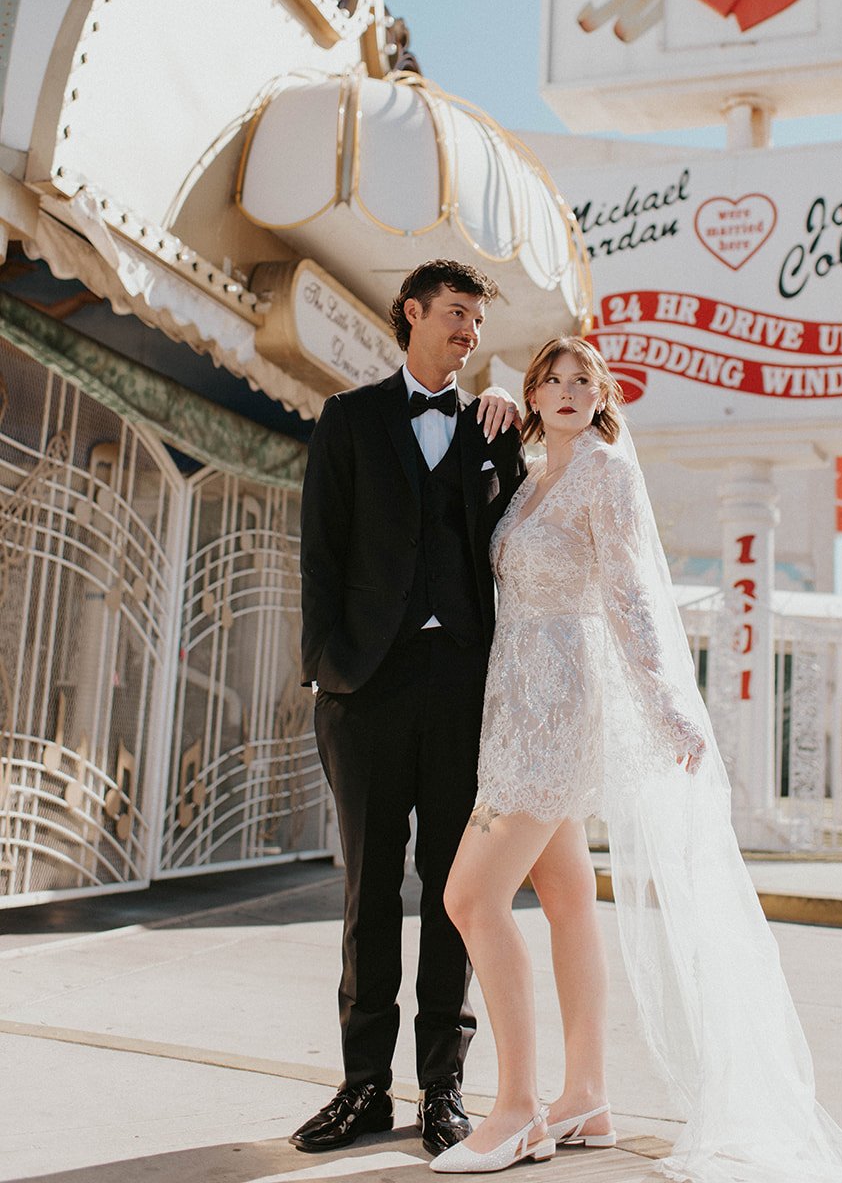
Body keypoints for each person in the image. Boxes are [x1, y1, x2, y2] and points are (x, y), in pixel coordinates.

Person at [432, 336, 842, 1183]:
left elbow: (632, 596)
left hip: (557, 709)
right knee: (566, 897)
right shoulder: (534, 475)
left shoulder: (607, 470)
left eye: (582, 381)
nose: (567, 392)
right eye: (552, 380)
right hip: (515, 701)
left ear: (601, 397)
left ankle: (517, 1109)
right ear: (534, 394)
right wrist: (490, 398)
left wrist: (673, 712)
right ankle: (589, 1097)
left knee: (470, 896)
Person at [294, 260, 525, 1158]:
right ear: (413, 314)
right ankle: (361, 1088)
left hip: (463, 684)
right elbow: (319, 550)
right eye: (457, 314)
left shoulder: (491, 427)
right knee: (367, 892)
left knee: (453, 895)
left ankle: (443, 1089)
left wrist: (509, 413)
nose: (469, 332)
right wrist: (325, 670)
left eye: (477, 322)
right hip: (367, 687)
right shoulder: (349, 420)